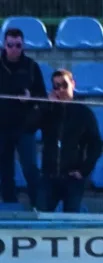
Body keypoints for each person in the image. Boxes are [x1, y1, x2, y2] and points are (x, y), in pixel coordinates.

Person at [37, 69, 102, 213]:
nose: (60, 90)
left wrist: (84, 171)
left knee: (71, 222)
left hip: (72, 177)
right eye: (56, 86)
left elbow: (96, 145)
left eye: (64, 85)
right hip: (49, 176)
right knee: (40, 218)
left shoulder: (84, 113)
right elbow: (29, 127)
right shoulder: (49, 111)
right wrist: (46, 105)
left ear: (73, 84)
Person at [0, 27, 46, 206]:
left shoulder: (31, 67)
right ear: (4, 45)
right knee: (5, 171)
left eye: (18, 45)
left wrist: (29, 97)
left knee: (30, 169)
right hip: (2, 128)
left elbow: (42, 95)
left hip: (25, 128)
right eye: (10, 45)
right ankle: (10, 207)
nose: (14, 49)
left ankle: (38, 206)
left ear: (23, 45)